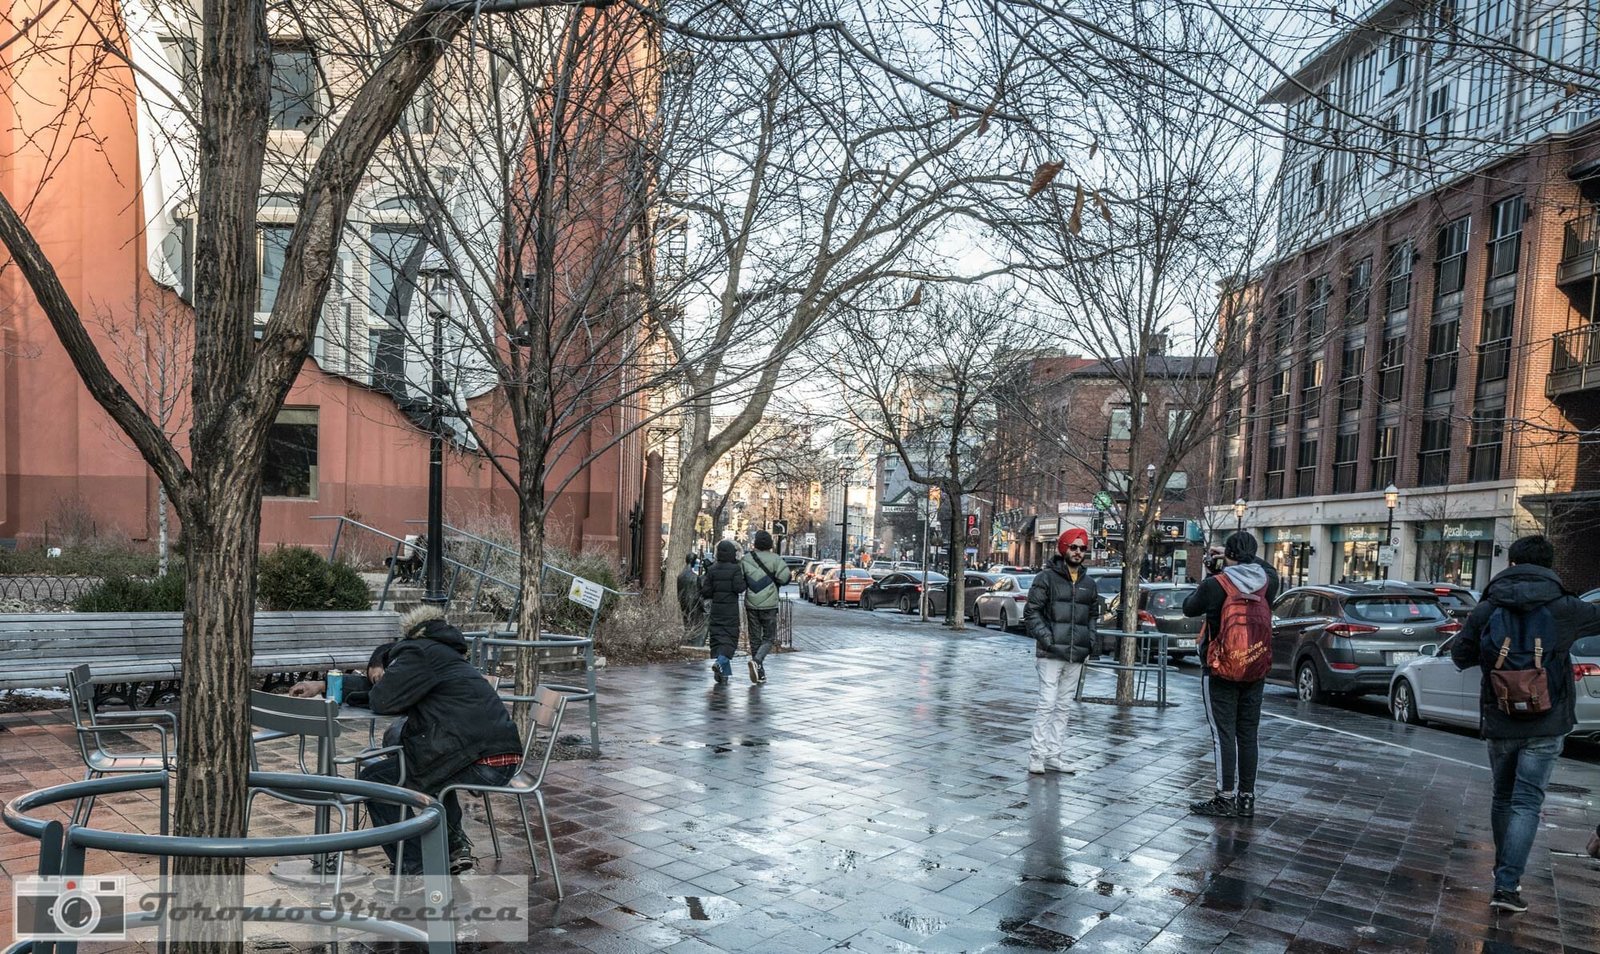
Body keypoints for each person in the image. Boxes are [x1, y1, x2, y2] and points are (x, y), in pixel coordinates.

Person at [289, 607, 521, 876]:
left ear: (410, 635)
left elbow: (382, 699)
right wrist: (322, 686)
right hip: (499, 755)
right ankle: (452, 848)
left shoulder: (418, 653)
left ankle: (415, 864)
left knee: (377, 781)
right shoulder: (442, 653)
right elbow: (390, 687)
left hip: (479, 760)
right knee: (416, 762)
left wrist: (379, 672)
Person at [1450, 535, 1600, 914]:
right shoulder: (1565, 607)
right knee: (1527, 802)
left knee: (1503, 797)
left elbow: (1460, 654)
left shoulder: (1488, 606)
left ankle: (1504, 874)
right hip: (1547, 720)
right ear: (1549, 566)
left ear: (1512, 563)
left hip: (1501, 717)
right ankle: (1507, 885)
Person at [1181, 531, 1280, 819]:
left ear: (1229, 555)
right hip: (1255, 667)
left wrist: (1217, 566)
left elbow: (1189, 608)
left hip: (1219, 669)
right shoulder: (1268, 582)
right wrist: (1242, 556)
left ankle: (1224, 797)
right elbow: (1269, 569)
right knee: (1248, 733)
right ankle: (1246, 798)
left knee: (1223, 734)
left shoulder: (1216, 584)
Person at [1022, 528, 1100, 775]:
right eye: (1073, 547)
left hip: (1076, 654)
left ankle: (1054, 755)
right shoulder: (1046, 578)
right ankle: (1037, 756)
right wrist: (1048, 640)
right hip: (1051, 653)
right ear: (1063, 548)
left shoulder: (1089, 583)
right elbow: (1031, 612)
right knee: (1047, 703)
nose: (1078, 552)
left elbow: (1093, 616)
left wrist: (1090, 641)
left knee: (1064, 706)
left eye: (1082, 548)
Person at [740, 530, 790, 684]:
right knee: (769, 637)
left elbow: (741, 582)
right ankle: (757, 662)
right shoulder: (776, 559)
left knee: (755, 638)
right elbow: (785, 578)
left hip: (751, 604)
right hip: (769, 605)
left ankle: (759, 672)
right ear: (770, 544)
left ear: (755, 544)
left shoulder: (746, 559)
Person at [700, 539, 746, 684]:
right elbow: (739, 588)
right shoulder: (735, 569)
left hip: (716, 611)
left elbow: (706, 591)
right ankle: (720, 663)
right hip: (730, 611)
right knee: (730, 640)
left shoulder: (712, 569)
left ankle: (723, 675)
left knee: (719, 639)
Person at [676, 553, 705, 639]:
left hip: (683, 601)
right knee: (694, 623)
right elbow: (698, 593)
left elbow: (678, 592)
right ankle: (692, 640)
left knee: (686, 622)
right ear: (693, 562)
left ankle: (688, 638)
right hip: (693, 603)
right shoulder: (695, 577)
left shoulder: (680, 576)